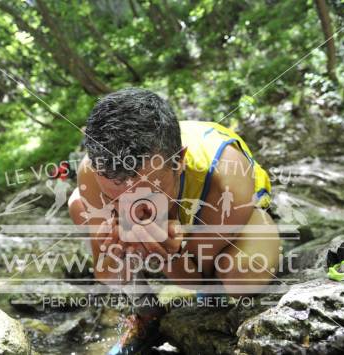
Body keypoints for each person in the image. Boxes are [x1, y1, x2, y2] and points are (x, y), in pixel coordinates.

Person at [68, 88, 279, 354]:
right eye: (116, 196)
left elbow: (197, 280)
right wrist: (116, 249)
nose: (136, 209)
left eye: (149, 192)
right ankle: (147, 313)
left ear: (178, 159)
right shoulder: (93, 171)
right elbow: (107, 272)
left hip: (230, 210)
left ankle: (266, 228)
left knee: (241, 276)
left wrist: (171, 254)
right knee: (77, 205)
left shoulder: (226, 178)